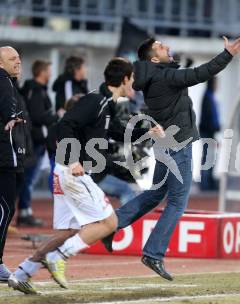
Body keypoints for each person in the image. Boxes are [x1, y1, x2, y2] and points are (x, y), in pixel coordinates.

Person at [8, 57, 164, 294]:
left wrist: (146, 132)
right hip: (73, 171)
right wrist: (73, 160)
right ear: (124, 79)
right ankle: (59, 257)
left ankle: (21, 273)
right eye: (131, 79)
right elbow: (64, 125)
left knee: (67, 232)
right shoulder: (95, 100)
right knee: (109, 223)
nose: (133, 84)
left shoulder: (105, 103)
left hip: (65, 171)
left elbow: (115, 131)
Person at [102, 36, 240, 281]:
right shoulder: (163, 76)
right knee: (178, 201)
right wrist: (228, 54)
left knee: (155, 194)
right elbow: (201, 73)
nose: (167, 48)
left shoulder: (154, 76)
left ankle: (111, 226)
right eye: (161, 47)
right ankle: (153, 253)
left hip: (165, 144)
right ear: (153, 58)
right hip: (177, 145)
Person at [17, 60, 59, 226]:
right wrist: (56, 116)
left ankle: (24, 210)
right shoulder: (35, 90)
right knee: (28, 177)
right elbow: (37, 116)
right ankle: (24, 212)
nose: (50, 73)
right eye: (49, 70)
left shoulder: (37, 89)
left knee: (28, 177)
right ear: (42, 72)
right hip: (34, 140)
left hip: (35, 140)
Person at [0, 46, 29, 282]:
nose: (17, 62)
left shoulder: (9, 82)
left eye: (19, 57)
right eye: (12, 59)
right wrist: (13, 118)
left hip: (7, 156)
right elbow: (8, 115)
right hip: (4, 158)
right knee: (6, 208)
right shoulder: (3, 81)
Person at [199, 77, 221, 191]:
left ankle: (208, 182)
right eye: (217, 83)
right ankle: (205, 184)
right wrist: (214, 131)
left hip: (210, 132)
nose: (218, 86)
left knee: (210, 157)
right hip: (208, 132)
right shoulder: (208, 97)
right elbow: (208, 118)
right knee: (208, 157)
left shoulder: (210, 96)